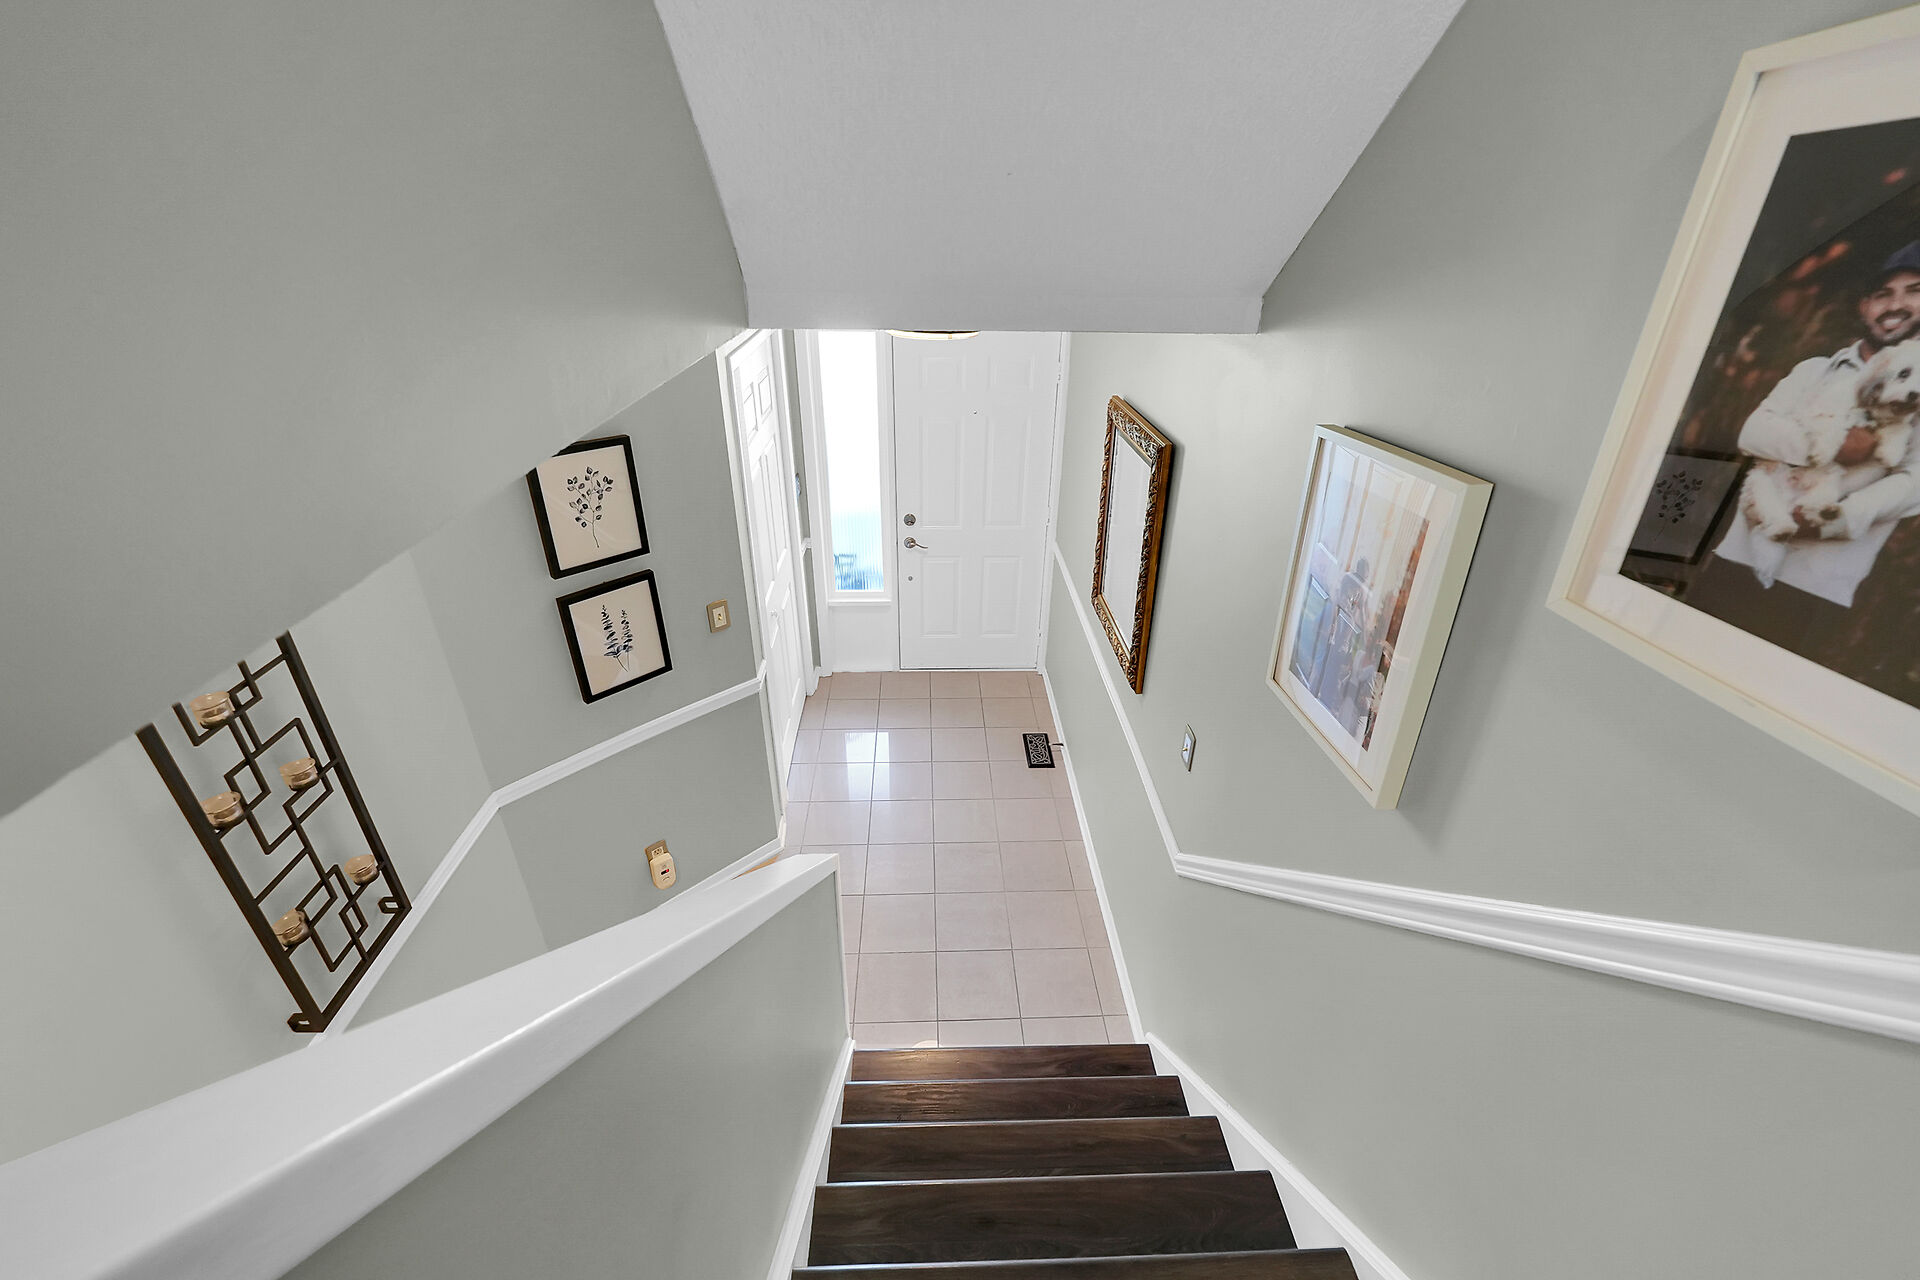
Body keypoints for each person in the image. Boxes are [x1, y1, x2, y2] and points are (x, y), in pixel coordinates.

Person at [1684, 242, 1920, 656]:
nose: (1895, 305)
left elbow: (1913, 483)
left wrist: (1833, 520)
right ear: (1865, 306)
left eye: (1914, 291)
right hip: (1739, 558)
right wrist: (1829, 447)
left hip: (1817, 584)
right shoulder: (1815, 370)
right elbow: (1753, 431)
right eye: (1884, 293)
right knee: (1684, 653)